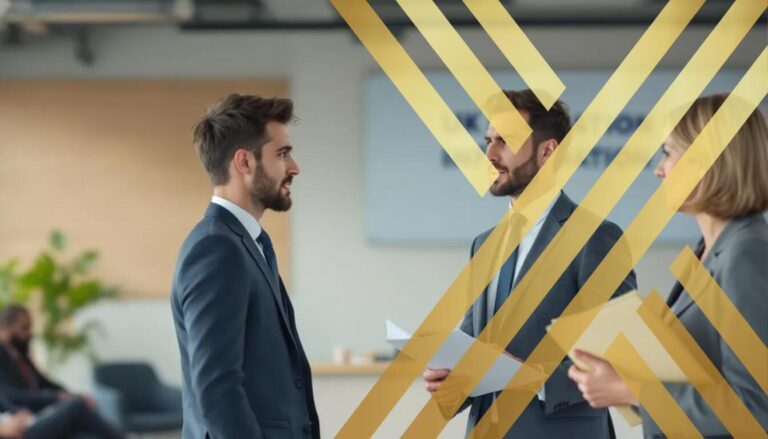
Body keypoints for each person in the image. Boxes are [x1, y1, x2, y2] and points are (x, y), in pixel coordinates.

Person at [422, 89, 637, 438]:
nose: (489, 154)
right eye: (488, 140)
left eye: (505, 141)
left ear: (548, 151)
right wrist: (450, 378)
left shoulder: (596, 239)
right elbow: (475, 342)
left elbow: (614, 355)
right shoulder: (484, 244)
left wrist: (522, 377)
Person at [568, 94, 768, 437]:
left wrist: (633, 389)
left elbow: (756, 407)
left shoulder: (745, 254)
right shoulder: (710, 250)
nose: (659, 170)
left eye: (668, 153)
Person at [171, 94, 319, 439]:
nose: (294, 167)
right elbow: (217, 388)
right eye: (282, 154)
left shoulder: (247, 244)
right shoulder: (216, 249)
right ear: (245, 162)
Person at [0, 305, 99, 413]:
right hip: (21, 417)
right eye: (24, 328)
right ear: (8, 328)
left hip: (40, 411)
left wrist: (69, 394)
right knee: (77, 406)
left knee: (82, 404)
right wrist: (55, 397)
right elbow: (10, 395)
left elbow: (44, 382)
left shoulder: (20, 356)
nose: (29, 334)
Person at [0, 391, 123, 439]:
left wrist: (16, 412)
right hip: (16, 433)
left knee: (85, 436)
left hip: (18, 422)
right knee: (77, 405)